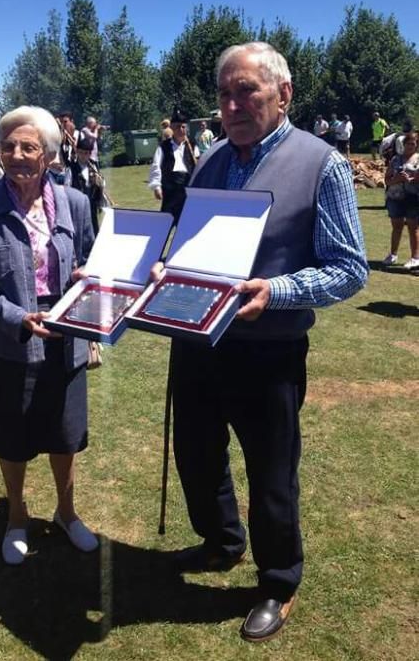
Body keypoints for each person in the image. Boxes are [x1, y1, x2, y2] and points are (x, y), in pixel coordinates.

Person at [153, 42, 368, 643]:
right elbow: (195, 246)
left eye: (246, 90)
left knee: (271, 472)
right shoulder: (212, 160)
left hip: (268, 349)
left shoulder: (320, 163)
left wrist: (274, 290)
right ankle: (221, 542)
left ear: (283, 93)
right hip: (196, 339)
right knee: (196, 454)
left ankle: (277, 580)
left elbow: (348, 267)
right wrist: (164, 269)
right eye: (224, 93)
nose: (232, 104)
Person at [0, 106, 97, 565]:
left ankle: (66, 512)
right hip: (10, 336)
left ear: (48, 154)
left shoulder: (75, 202)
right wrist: (19, 317)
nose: (16, 155)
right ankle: (16, 517)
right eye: (8, 146)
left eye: (28, 147)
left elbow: (90, 264)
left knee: (64, 434)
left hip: (66, 332)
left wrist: (87, 281)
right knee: (13, 434)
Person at [148, 107, 198, 225]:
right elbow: (156, 166)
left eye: (183, 127)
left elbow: (198, 166)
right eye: (177, 127)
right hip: (170, 189)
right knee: (165, 224)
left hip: (188, 189)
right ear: (172, 129)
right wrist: (156, 186)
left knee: (187, 224)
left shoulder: (192, 145)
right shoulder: (164, 146)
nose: (181, 130)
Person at [382, 131, 419, 269]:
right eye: (408, 144)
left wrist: (413, 179)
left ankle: (415, 258)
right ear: (403, 144)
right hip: (395, 196)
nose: (410, 146)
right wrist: (397, 179)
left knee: (413, 227)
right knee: (396, 226)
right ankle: (392, 254)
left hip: (413, 197)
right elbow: (386, 179)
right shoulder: (395, 159)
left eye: (413, 144)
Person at [69, 134, 106, 235]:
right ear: (77, 152)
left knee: (93, 231)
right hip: (77, 206)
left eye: (86, 153)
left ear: (89, 154)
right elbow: (67, 187)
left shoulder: (93, 166)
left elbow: (101, 185)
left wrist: (100, 183)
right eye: (80, 152)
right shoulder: (72, 168)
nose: (83, 156)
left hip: (91, 205)